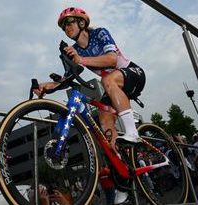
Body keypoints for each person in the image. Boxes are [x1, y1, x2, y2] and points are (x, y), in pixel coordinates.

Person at [33, 7, 146, 152]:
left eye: (68, 22)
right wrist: (47, 86)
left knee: (107, 81)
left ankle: (133, 133)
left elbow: (112, 59)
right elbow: (69, 77)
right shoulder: (74, 49)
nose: (66, 28)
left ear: (81, 22)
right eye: (63, 27)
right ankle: (119, 162)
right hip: (112, 85)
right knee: (104, 120)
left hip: (133, 74)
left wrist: (81, 59)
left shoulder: (99, 33)